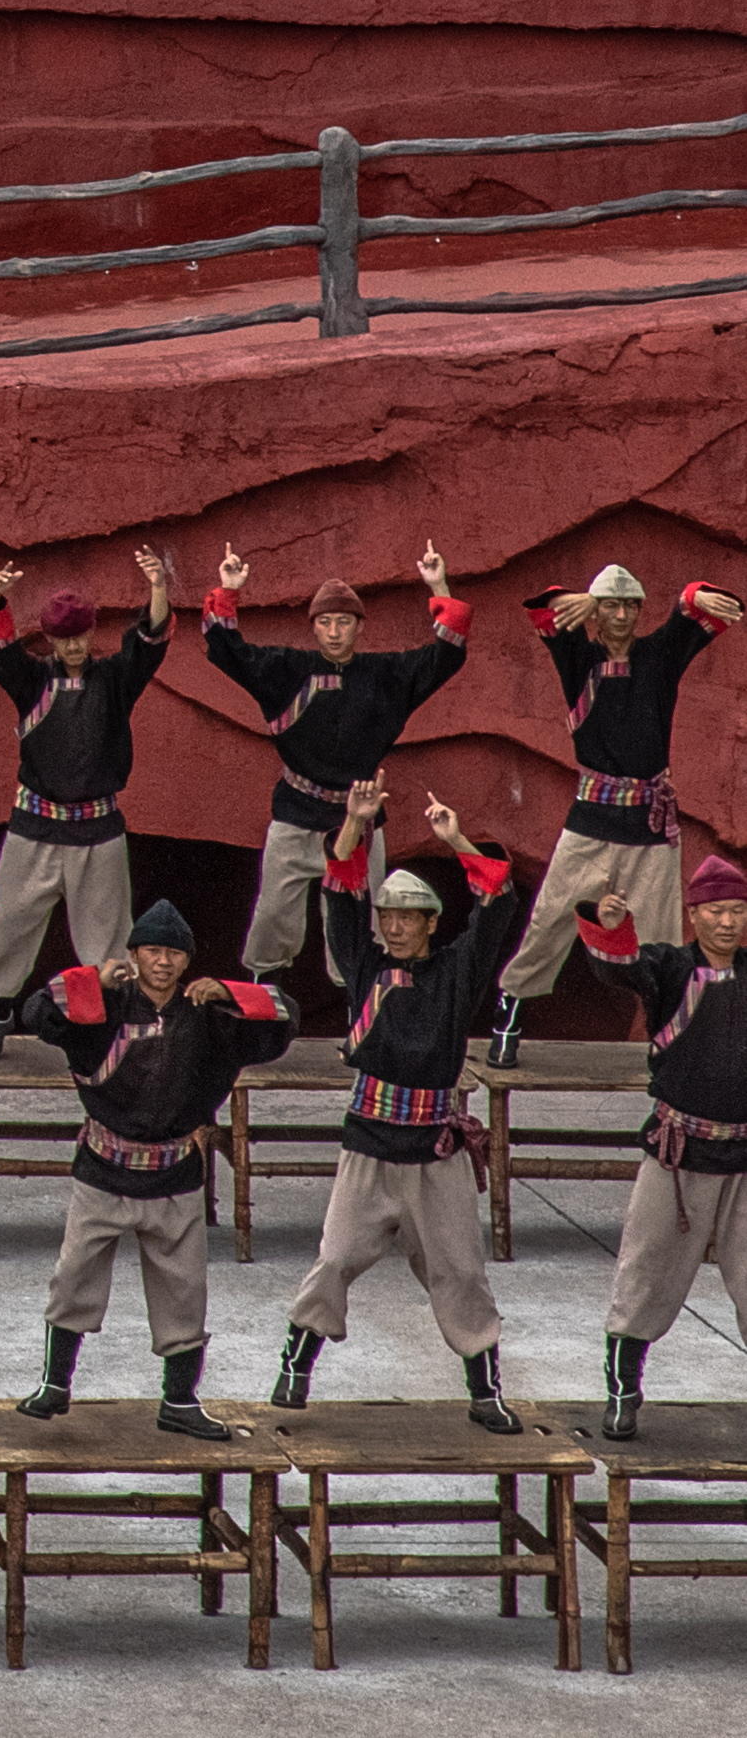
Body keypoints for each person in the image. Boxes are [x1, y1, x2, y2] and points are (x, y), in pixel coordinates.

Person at [274, 784, 531, 1430]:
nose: (391, 925)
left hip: (433, 1152)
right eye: (385, 914)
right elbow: (336, 891)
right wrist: (354, 825)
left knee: (458, 1272)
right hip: (367, 1145)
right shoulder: (363, 966)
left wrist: (453, 839)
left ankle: (484, 1389)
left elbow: (498, 899)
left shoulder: (454, 973)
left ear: (428, 924)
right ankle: (295, 1365)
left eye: (406, 917)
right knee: (334, 1259)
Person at [20, 900, 295, 1437]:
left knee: (183, 1288)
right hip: (103, 1168)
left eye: (173, 953)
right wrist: (89, 979)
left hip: (174, 1173)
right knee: (74, 1275)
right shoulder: (102, 1007)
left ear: (187, 962)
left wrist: (231, 992)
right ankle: (55, 1383)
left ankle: (180, 1400)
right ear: (134, 955)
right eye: (152, 951)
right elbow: (37, 1015)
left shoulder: (210, 1016)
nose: (162, 963)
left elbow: (283, 1020)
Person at [194, 541, 467, 983]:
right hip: (296, 812)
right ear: (314, 629)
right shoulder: (286, 669)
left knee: (358, 925)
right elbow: (227, 650)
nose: (335, 631)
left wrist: (438, 584)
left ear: (359, 627)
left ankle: (359, 1014)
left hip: (357, 820)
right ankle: (263, 1006)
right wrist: (228, 590)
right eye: (325, 622)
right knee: (272, 919)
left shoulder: (386, 677)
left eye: (344, 621)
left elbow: (446, 654)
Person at [498, 563, 741, 1058]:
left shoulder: (660, 655)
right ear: (594, 612)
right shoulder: (577, 658)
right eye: (611, 604)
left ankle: (670, 1040)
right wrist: (583, 600)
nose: (623, 614)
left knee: (662, 944)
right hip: (589, 821)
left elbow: (697, 607)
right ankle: (509, 1024)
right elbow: (544, 609)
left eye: (631, 605)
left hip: (648, 827)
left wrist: (696, 592)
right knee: (548, 922)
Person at [0, 556, 173, 1052]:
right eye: (64, 639)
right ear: (51, 641)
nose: (74, 647)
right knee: (8, 922)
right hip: (33, 824)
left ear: (91, 634)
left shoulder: (115, 680)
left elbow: (149, 642)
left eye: (81, 637)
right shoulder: (32, 681)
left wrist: (158, 585)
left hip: (98, 828)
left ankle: (108, 1022)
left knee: (108, 935)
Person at [579, 851, 747, 1439]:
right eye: (716, 911)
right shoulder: (669, 968)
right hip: (678, 1155)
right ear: (694, 915)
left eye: (737, 910)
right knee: (645, 1276)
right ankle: (623, 1393)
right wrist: (611, 922)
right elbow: (617, 966)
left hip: (744, 1161)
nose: (728, 922)